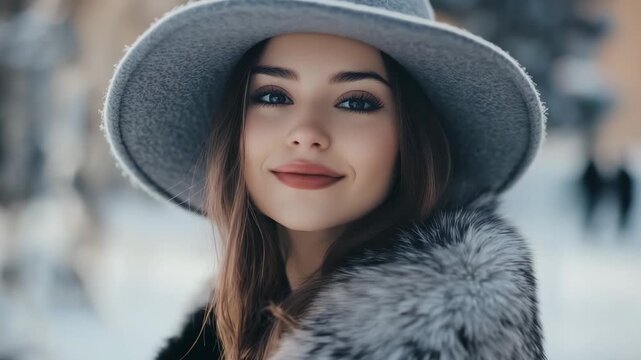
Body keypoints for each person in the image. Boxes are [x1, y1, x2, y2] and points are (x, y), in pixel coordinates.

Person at [101, 1, 548, 359]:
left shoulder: (454, 342)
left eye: (356, 102)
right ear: (234, 131)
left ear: (411, 138)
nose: (307, 134)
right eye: (273, 95)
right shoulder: (222, 330)